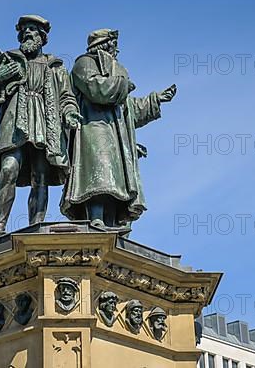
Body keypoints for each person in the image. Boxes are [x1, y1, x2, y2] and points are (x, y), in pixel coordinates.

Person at [0, 15, 81, 240]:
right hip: (15, 125)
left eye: (33, 30)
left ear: (42, 38)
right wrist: (0, 78)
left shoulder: (56, 67)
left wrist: (70, 113)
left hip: (45, 123)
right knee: (9, 169)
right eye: (24, 30)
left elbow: (66, 97)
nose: (27, 33)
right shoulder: (7, 60)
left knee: (41, 175)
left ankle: (37, 225)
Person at [60, 29, 177, 229]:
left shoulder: (115, 70)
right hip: (93, 129)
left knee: (116, 182)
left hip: (115, 132)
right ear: (104, 44)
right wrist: (123, 84)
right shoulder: (83, 64)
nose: (116, 50)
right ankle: (95, 218)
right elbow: (97, 89)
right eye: (113, 45)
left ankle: (112, 222)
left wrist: (155, 100)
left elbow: (128, 108)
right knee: (98, 178)